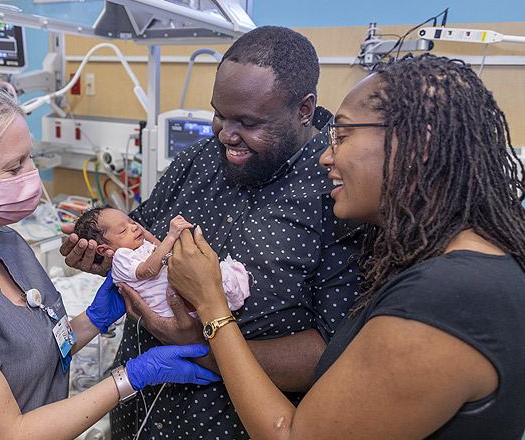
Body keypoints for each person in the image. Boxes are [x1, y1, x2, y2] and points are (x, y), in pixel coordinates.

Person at [168, 53, 525, 439]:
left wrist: (210, 303)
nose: (326, 155)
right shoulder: (476, 265)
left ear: (418, 145)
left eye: (343, 135)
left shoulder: (446, 298)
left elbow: (292, 435)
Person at [0, 82, 219, 440]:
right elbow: (6, 435)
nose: (32, 175)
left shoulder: (4, 243)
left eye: (29, 158)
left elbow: (36, 353)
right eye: (14, 167)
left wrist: (90, 321)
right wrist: (131, 377)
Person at [60, 26, 363, 439]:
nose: (226, 134)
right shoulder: (198, 160)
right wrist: (109, 259)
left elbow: (335, 355)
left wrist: (202, 346)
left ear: (304, 109)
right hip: (138, 418)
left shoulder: (341, 191)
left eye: (248, 122)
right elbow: (136, 237)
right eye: (219, 114)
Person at [73, 207, 249, 317]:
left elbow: (159, 248)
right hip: (165, 307)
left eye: (131, 221)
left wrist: (149, 235)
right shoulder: (121, 258)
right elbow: (148, 271)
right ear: (103, 250)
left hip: (175, 292)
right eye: (123, 230)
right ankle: (225, 293)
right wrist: (171, 235)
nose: (134, 227)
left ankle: (226, 289)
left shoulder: (139, 245)